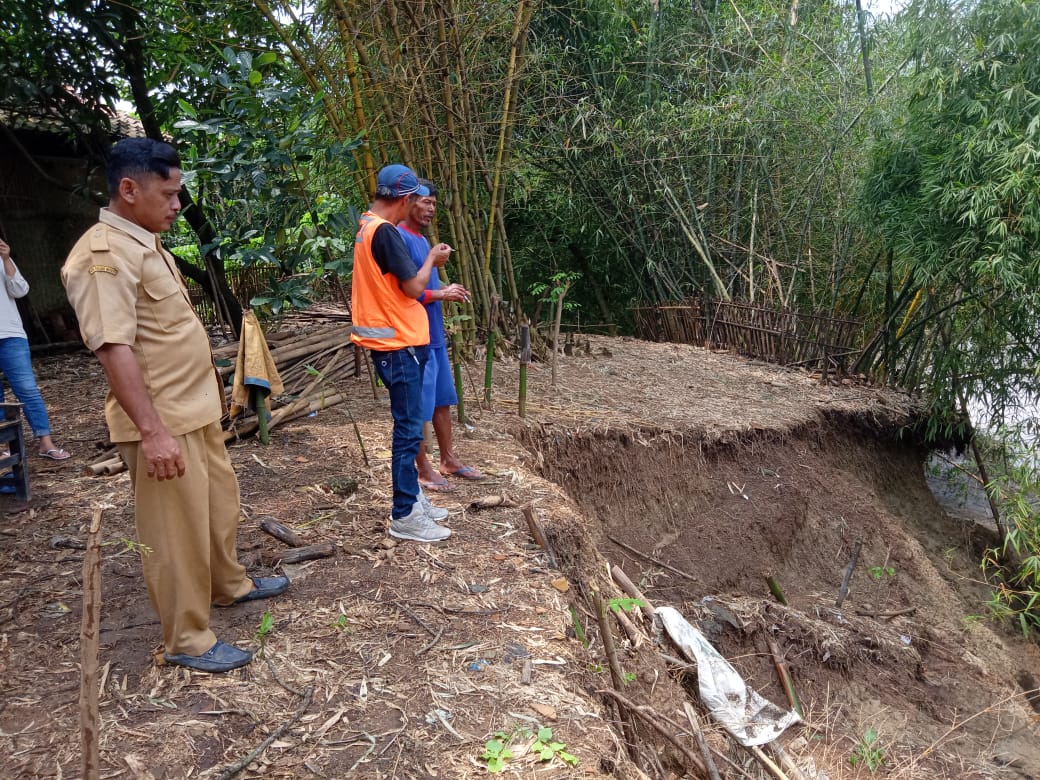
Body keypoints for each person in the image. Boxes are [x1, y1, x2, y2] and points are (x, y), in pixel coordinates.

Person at [61, 138, 289, 674]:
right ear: (128, 189)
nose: (176, 205)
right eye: (168, 194)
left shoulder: (143, 242)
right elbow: (113, 348)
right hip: (162, 421)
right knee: (174, 535)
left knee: (216, 509)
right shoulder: (103, 255)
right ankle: (187, 637)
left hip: (195, 411)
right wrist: (152, 431)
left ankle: (228, 584)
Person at [350, 164, 453, 543]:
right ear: (407, 199)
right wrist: (432, 262)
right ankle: (404, 513)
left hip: (396, 342)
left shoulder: (366, 226)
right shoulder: (386, 233)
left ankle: (413, 499)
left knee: (408, 428)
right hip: (399, 344)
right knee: (409, 430)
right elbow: (412, 288)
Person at [396, 181, 485, 491]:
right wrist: (442, 293)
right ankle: (422, 468)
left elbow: (427, 289)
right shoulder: (399, 239)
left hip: (433, 334)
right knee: (418, 406)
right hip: (414, 337)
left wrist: (444, 291)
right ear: (407, 202)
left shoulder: (421, 240)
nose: (431, 209)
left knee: (442, 401)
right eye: (425, 202)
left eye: (434, 203)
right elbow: (406, 292)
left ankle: (448, 459)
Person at [0, 238, 70, 461]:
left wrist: (6, 258)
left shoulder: (2, 259)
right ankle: (3, 446)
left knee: (27, 389)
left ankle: (45, 442)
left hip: (11, 334)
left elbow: (20, 290)